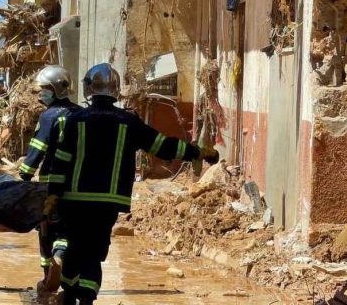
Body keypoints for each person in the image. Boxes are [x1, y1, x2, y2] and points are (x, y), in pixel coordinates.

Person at [48, 63, 219, 305]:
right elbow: (162, 145)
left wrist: (53, 195)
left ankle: (70, 291)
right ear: (116, 91)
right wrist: (197, 152)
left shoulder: (75, 121)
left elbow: (60, 162)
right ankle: (86, 296)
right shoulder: (129, 122)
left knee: (75, 247)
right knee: (94, 252)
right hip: (108, 203)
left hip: (74, 200)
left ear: (89, 89)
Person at [17, 65, 82, 294]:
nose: (40, 94)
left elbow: (38, 148)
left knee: (46, 228)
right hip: (77, 184)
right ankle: (62, 259)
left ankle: (47, 277)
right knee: (67, 229)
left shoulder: (49, 115)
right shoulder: (80, 113)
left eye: (44, 89)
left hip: (50, 181)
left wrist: (24, 173)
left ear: (56, 89)